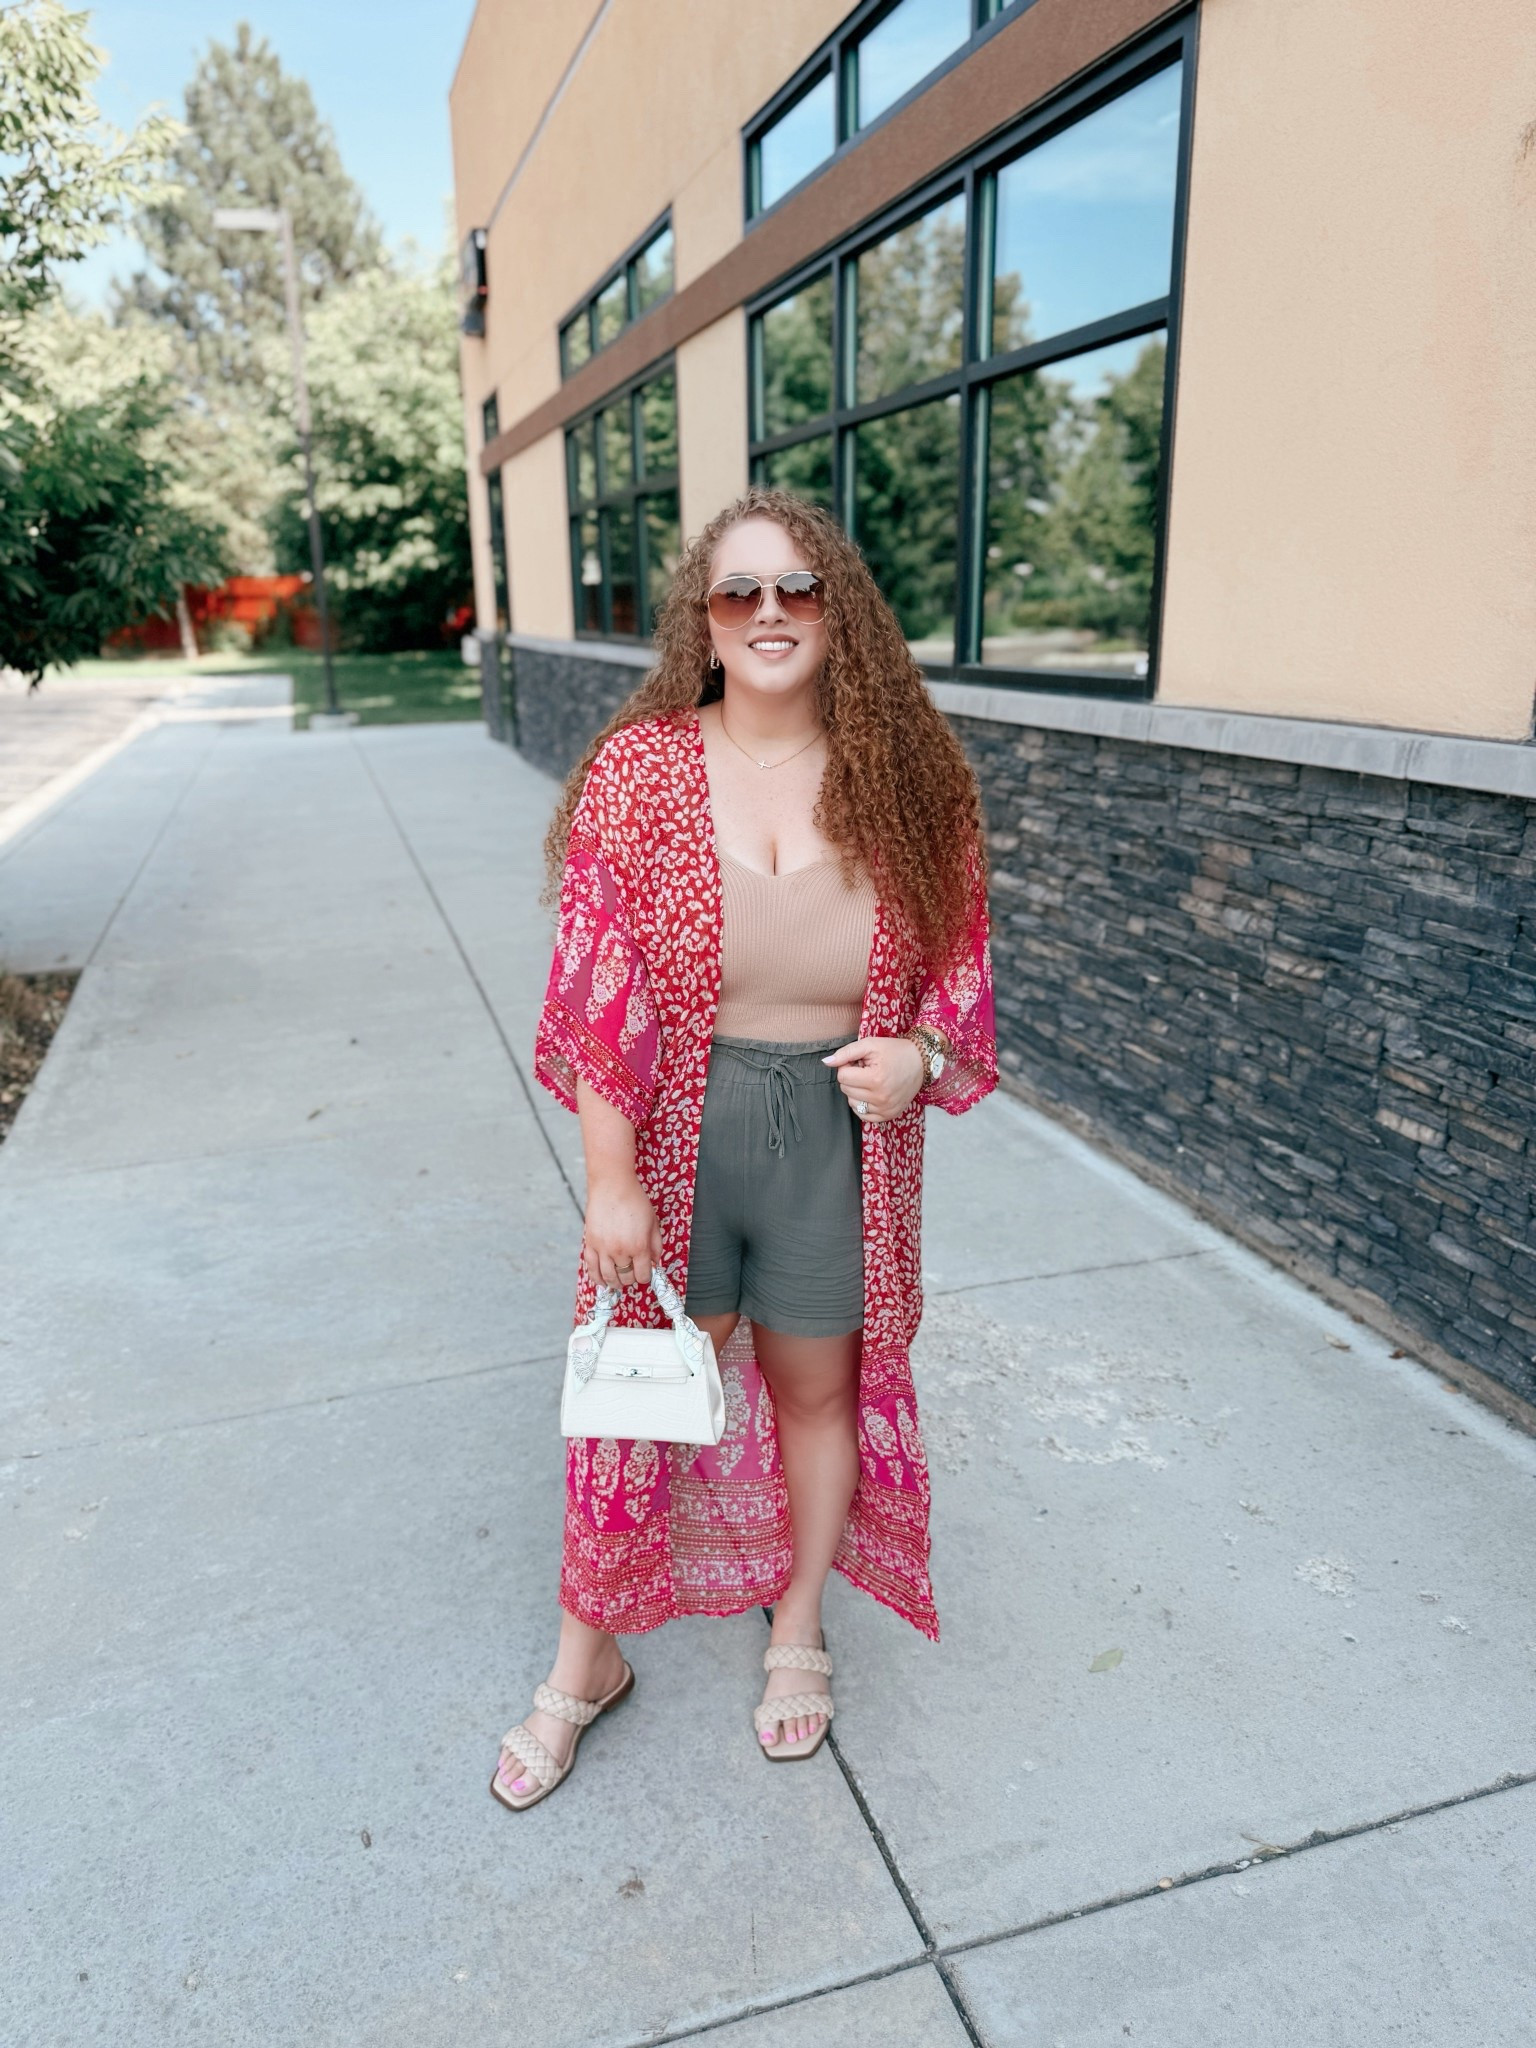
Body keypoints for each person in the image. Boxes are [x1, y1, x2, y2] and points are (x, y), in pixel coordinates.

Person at [492, 485, 996, 1810]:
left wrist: (922, 1060)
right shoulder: (644, 770)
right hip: (674, 1139)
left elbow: (959, 977)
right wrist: (609, 1182)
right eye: (739, 593)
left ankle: (798, 1631)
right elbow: (598, 989)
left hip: (836, 1140)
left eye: (796, 589)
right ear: (703, 623)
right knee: (636, 1407)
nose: (768, 613)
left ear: (840, 611)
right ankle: (580, 1667)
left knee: (820, 1392)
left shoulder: (911, 775)